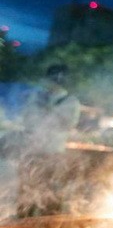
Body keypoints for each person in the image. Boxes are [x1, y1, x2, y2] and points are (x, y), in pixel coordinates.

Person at [14, 64, 81, 216]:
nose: (52, 82)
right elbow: (27, 120)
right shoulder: (35, 97)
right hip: (31, 153)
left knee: (49, 197)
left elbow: (67, 124)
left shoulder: (70, 102)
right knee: (25, 196)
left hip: (52, 154)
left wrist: (49, 109)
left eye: (56, 78)